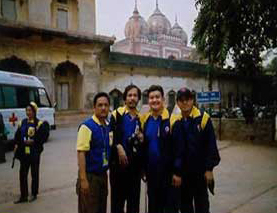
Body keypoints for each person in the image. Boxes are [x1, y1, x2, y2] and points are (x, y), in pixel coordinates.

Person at [171, 87, 220, 213]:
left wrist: (209, 169)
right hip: (183, 174)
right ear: (177, 103)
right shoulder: (175, 121)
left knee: (202, 206)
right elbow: (175, 150)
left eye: (187, 99)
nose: (185, 103)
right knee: (185, 206)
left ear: (192, 100)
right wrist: (176, 172)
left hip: (200, 173)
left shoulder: (203, 119)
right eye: (181, 100)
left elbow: (211, 146)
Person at [109, 84, 143, 213]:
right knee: (117, 204)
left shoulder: (141, 118)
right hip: (118, 168)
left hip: (134, 169)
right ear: (125, 98)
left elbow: (143, 144)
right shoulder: (116, 115)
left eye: (135, 95)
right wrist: (118, 146)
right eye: (130, 95)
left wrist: (141, 139)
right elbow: (109, 136)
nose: (132, 98)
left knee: (133, 204)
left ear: (138, 99)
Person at [76, 92, 111, 213]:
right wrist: (83, 179)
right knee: (89, 209)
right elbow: (81, 153)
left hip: (102, 176)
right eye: (100, 105)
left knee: (101, 209)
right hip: (90, 177)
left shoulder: (107, 126)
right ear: (94, 107)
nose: (103, 108)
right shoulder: (87, 127)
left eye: (106, 105)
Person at [140, 85, 171, 213]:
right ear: (148, 101)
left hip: (167, 172)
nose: (154, 100)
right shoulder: (145, 120)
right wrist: (143, 169)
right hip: (151, 171)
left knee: (168, 205)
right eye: (151, 98)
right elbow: (143, 147)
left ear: (163, 99)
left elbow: (178, 149)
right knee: (153, 204)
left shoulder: (171, 120)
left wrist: (177, 171)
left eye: (157, 97)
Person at [14, 102, 49, 204]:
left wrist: (34, 141)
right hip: (24, 154)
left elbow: (43, 137)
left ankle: (34, 194)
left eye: (30, 110)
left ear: (34, 112)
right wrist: (17, 144)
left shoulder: (39, 124)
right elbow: (17, 136)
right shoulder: (22, 123)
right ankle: (23, 196)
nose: (28, 112)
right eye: (27, 110)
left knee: (34, 173)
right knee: (22, 174)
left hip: (34, 153)